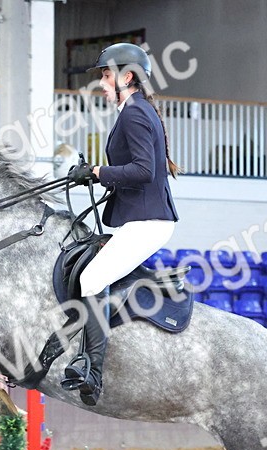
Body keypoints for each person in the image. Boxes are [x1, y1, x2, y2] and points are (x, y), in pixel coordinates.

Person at [63, 42, 180, 406]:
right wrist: (98, 175)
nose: (101, 83)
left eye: (106, 74)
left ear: (126, 77)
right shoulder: (136, 110)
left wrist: (98, 172)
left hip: (149, 222)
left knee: (91, 279)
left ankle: (92, 371)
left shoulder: (134, 112)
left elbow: (144, 171)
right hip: (142, 219)